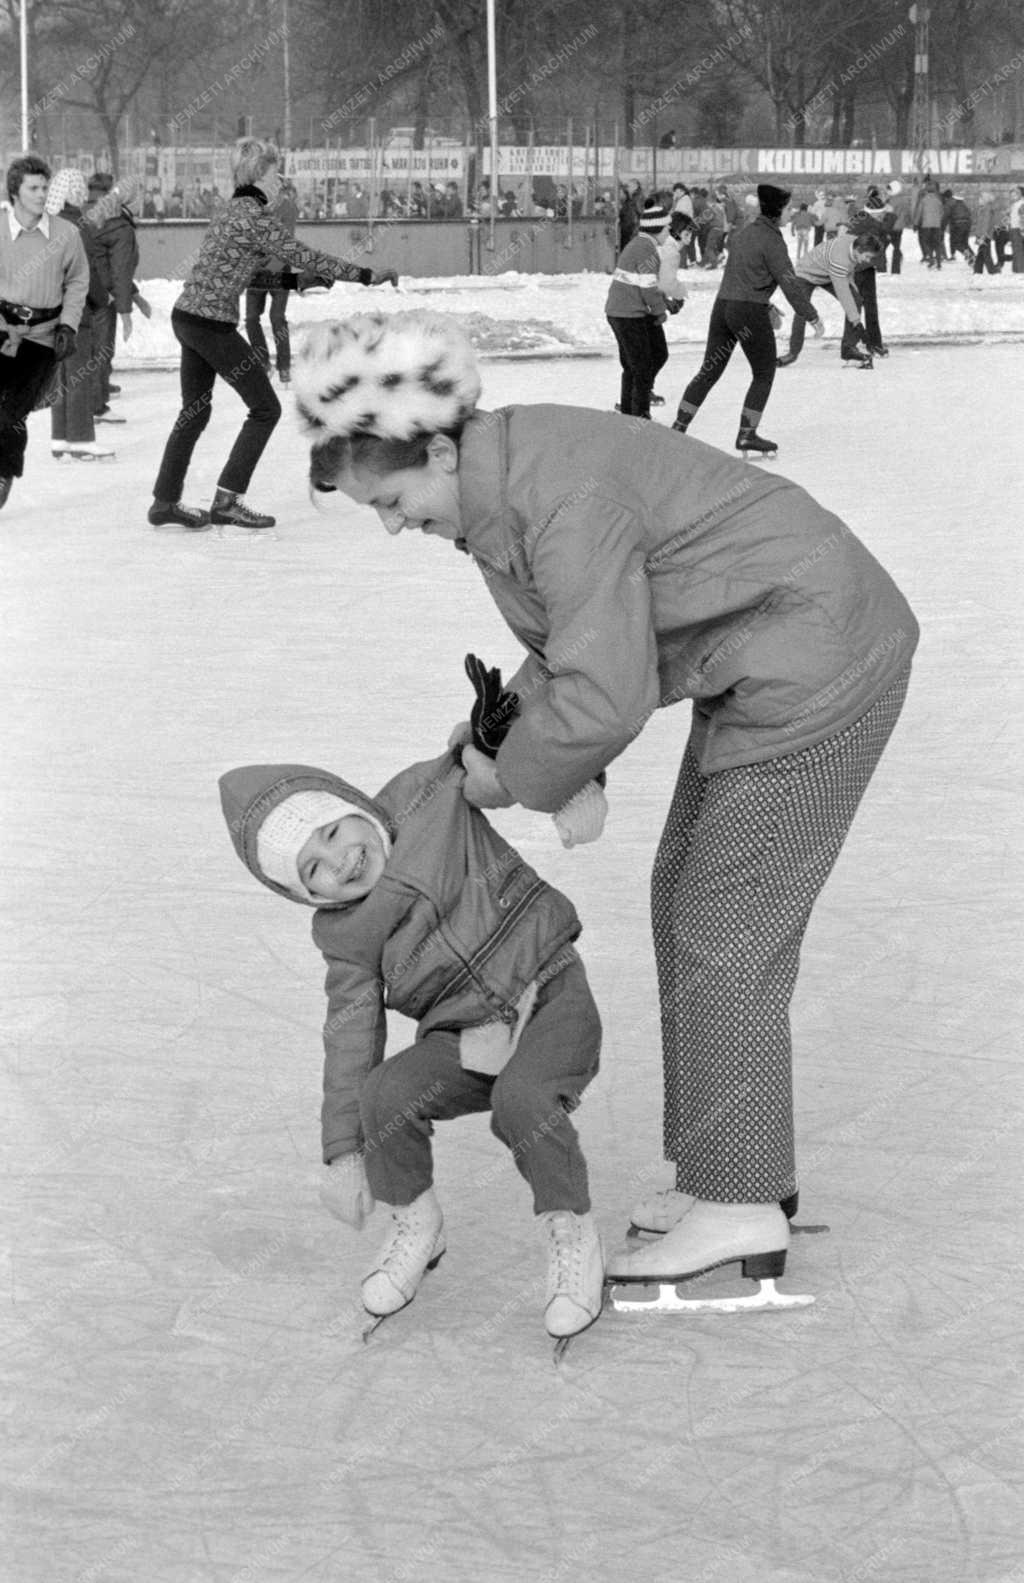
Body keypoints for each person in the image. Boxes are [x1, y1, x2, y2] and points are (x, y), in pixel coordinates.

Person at [295, 309, 919, 1302]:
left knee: (725, 924)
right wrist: (491, 739)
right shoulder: (504, 486)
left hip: (818, 654)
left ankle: (741, 1198)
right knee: (686, 895)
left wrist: (516, 777)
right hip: (762, 654)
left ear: (442, 448)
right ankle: (733, 1165)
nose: (392, 522)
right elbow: (567, 650)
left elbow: (604, 688)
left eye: (395, 498)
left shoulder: (553, 497)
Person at [217, 733, 605, 1344]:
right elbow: (349, 1040)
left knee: (523, 1100)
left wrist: (574, 784)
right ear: (305, 896)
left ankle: (571, 1230)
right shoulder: (345, 937)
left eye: (330, 832)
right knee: (385, 1094)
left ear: (350, 805)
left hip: (550, 990)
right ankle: (416, 1223)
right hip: (468, 1037)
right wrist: (345, 1151)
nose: (338, 860)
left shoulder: (430, 795)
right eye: (312, 871)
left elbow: (497, 767)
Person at [149, 137, 400, 533]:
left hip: (188, 317)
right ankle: (227, 500)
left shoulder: (229, 211)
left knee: (194, 411)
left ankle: (164, 501)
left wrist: (298, 282)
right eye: (274, 171)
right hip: (211, 324)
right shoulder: (255, 217)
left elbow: (249, 274)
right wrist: (367, 276)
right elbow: (307, 255)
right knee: (266, 408)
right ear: (258, 177)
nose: (280, 178)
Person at [670, 183, 822, 457]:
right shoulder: (773, 241)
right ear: (778, 211)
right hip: (748, 312)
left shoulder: (744, 233)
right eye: (788, 209)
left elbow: (745, 275)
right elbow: (789, 283)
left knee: (709, 371)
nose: (790, 213)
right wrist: (811, 315)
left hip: (723, 307)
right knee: (764, 372)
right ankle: (747, 434)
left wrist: (767, 303)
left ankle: (678, 427)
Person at [0, 155, 90, 510]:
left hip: (41, 337)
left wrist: (68, 324)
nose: (41, 195)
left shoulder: (66, 234)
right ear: (15, 192)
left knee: (12, 412)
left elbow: (78, 280)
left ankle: (4, 472)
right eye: (33, 188)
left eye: (44, 187)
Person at [604, 200, 683, 419]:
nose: (669, 231)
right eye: (667, 227)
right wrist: (660, 312)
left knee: (644, 360)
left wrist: (665, 302)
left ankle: (631, 408)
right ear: (657, 228)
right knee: (640, 366)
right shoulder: (645, 248)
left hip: (625, 311)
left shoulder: (643, 244)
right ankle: (639, 414)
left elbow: (647, 283)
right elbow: (647, 288)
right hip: (627, 314)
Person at [87, 171, 151, 422]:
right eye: (138, 195)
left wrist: (133, 296)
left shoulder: (92, 214)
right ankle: (97, 406)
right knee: (101, 349)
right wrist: (126, 311)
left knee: (91, 349)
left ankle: (97, 390)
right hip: (103, 296)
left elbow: (107, 264)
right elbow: (119, 270)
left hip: (87, 292)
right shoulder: (118, 224)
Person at [775, 231, 880, 370]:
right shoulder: (839, 259)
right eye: (867, 257)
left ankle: (849, 349)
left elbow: (848, 275)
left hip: (827, 273)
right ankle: (792, 353)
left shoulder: (856, 242)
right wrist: (857, 323)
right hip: (805, 273)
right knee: (802, 310)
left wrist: (855, 297)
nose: (868, 261)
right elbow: (844, 294)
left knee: (856, 300)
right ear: (858, 250)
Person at [243, 178, 300, 386]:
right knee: (250, 318)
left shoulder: (288, 208)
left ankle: (284, 366)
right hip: (257, 270)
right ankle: (262, 361)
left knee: (277, 317)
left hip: (280, 268)